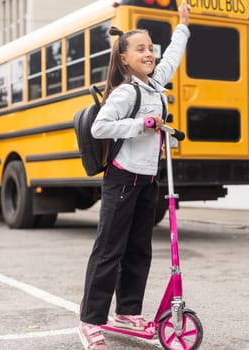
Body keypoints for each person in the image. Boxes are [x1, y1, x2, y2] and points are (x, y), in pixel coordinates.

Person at [78, 2, 191, 349]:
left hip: (147, 179)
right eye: (140, 49)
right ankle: (90, 320)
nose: (150, 54)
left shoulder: (155, 86)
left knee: (139, 249)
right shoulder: (127, 91)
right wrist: (141, 123)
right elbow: (100, 127)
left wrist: (183, 26)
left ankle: (127, 312)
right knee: (109, 250)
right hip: (122, 179)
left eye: (151, 49)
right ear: (125, 58)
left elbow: (172, 58)